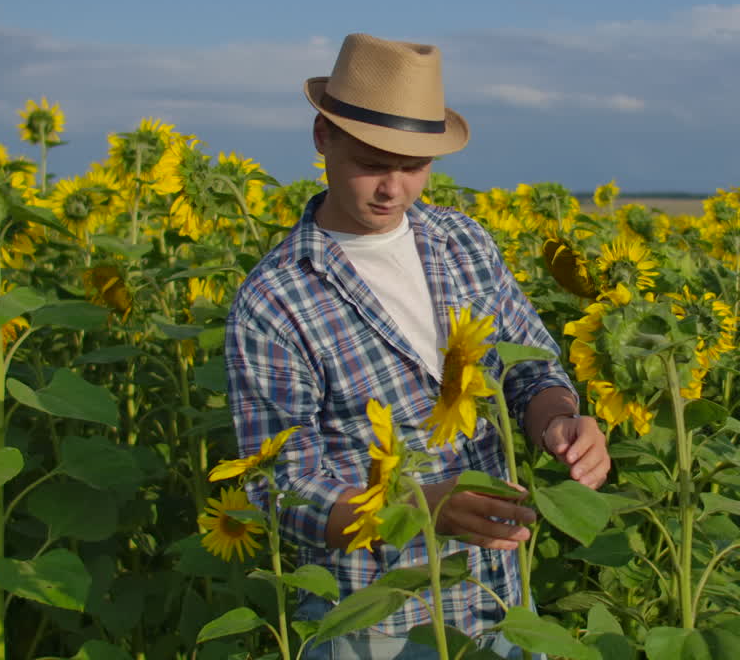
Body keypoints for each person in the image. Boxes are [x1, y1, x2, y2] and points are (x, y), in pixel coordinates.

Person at [224, 33, 610, 659]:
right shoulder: (275, 301)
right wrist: (423, 509)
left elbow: (529, 365)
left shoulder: (461, 242)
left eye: (413, 166)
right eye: (373, 163)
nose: (393, 188)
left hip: (502, 596)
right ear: (324, 137)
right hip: (379, 616)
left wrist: (559, 420)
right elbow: (281, 490)